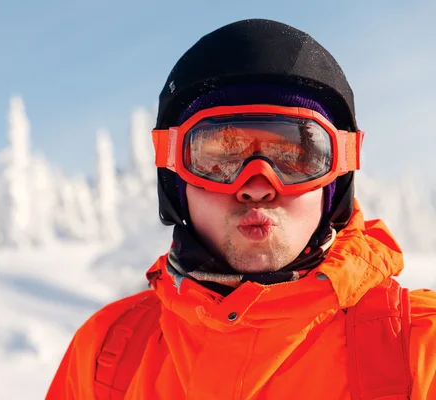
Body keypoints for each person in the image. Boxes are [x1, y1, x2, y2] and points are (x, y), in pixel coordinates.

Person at [46, 19, 436, 399]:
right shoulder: (106, 356)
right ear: (174, 176)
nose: (256, 187)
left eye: (294, 157)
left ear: (337, 177)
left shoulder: (421, 352)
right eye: (220, 158)